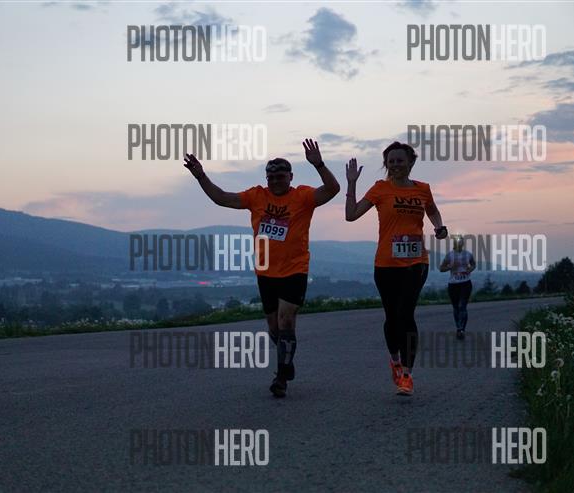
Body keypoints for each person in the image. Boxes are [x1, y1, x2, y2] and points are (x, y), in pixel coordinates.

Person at [183, 139, 340, 398]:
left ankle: (281, 376)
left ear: (290, 177)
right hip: (266, 271)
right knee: (274, 327)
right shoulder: (256, 196)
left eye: (280, 177)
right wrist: (201, 176)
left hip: (295, 268)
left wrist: (319, 165)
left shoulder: (302, 197)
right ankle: (286, 359)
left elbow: (333, 189)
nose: (275, 181)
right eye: (271, 178)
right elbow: (222, 198)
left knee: (286, 320)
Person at [344, 142, 447, 396]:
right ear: (386, 164)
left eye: (400, 160)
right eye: (391, 161)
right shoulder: (380, 189)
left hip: (416, 262)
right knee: (392, 317)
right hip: (386, 263)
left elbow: (432, 211)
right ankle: (395, 361)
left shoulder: (423, 189)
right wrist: (351, 183)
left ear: (410, 162)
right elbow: (351, 215)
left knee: (406, 314)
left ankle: (407, 375)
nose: (395, 165)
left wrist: (439, 227)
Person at [439, 235, 476, 340]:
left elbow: (473, 264)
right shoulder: (449, 255)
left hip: (465, 283)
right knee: (456, 307)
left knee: (462, 306)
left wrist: (470, 269)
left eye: (461, 241)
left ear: (463, 243)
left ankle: (461, 329)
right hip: (453, 284)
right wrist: (450, 267)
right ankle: (458, 328)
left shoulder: (468, 254)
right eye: (457, 241)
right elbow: (441, 268)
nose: (459, 243)